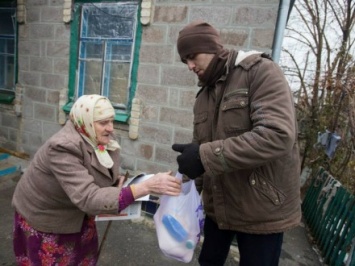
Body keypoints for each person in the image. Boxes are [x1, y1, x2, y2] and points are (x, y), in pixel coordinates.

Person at [172, 21, 301, 266]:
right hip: (218, 208)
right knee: (208, 261)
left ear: (210, 47)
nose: (189, 66)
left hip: (260, 210)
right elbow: (200, 152)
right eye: (184, 61)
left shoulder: (260, 72)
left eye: (192, 57)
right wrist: (183, 189)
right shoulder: (203, 97)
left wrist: (203, 155)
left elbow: (277, 135)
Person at [12, 94, 181, 265]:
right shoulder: (63, 147)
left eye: (111, 120)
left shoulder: (96, 136)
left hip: (78, 213)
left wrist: (118, 185)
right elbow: (88, 197)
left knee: (84, 257)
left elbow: (99, 174)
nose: (111, 128)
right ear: (84, 121)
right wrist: (145, 187)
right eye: (103, 122)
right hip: (48, 216)